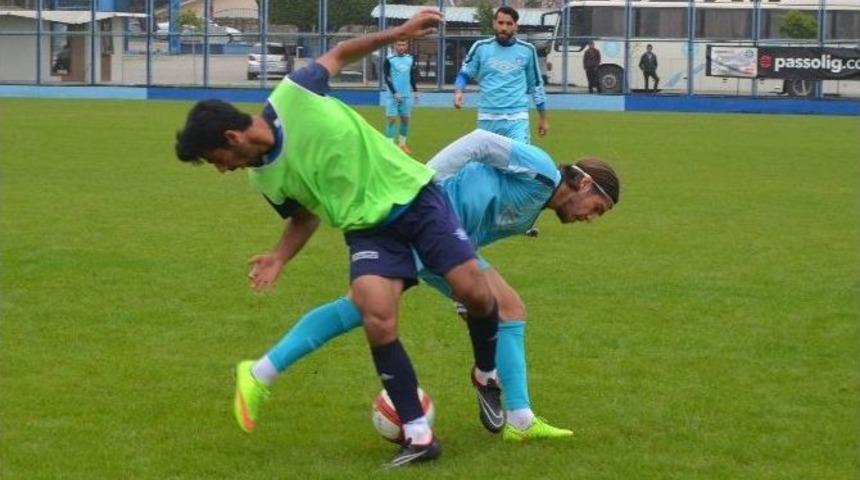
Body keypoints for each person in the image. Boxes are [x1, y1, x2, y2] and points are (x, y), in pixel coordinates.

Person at [173, 10, 504, 468]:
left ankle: (486, 374)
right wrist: (278, 257)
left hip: (414, 196)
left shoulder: (294, 94)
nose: (223, 169)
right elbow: (304, 217)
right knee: (376, 314)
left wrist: (401, 34)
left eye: (218, 159)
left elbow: (341, 52)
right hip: (366, 229)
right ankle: (419, 436)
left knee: (477, 294)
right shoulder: (263, 181)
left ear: (233, 136)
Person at [232, 129, 620, 443]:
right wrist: (422, 184)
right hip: (422, 222)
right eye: (596, 208)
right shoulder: (541, 170)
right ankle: (259, 372)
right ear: (584, 182)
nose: (590, 219)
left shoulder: (531, 212)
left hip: (449, 244)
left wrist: (462, 289)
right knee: (361, 308)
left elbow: (476, 227)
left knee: (508, 309)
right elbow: (480, 141)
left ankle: (518, 417)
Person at [453, 6, 548, 144]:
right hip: (487, 117)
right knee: (487, 164)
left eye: (509, 24)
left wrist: (543, 118)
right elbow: (465, 73)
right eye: (501, 23)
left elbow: (536, 86)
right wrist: (458, 91)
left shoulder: (527, 50)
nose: (504, 27)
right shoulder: (481, 47)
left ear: (516, 26)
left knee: (519, 162)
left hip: (517, 118)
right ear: (494, 23)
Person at [383, 39, 419, 154]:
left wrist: (415, 91)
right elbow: (387, 78)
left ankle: (402, 144)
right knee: (392, 119)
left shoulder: (410, 59)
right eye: (399, 45)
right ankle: (388, 146)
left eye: (403, 44)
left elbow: (412, 76)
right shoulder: (389, 60)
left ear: (406, 46)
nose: (401, 47)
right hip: (392, 96)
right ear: (394, 45)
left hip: (406, 95)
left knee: (405, 120)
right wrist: (394, 92)